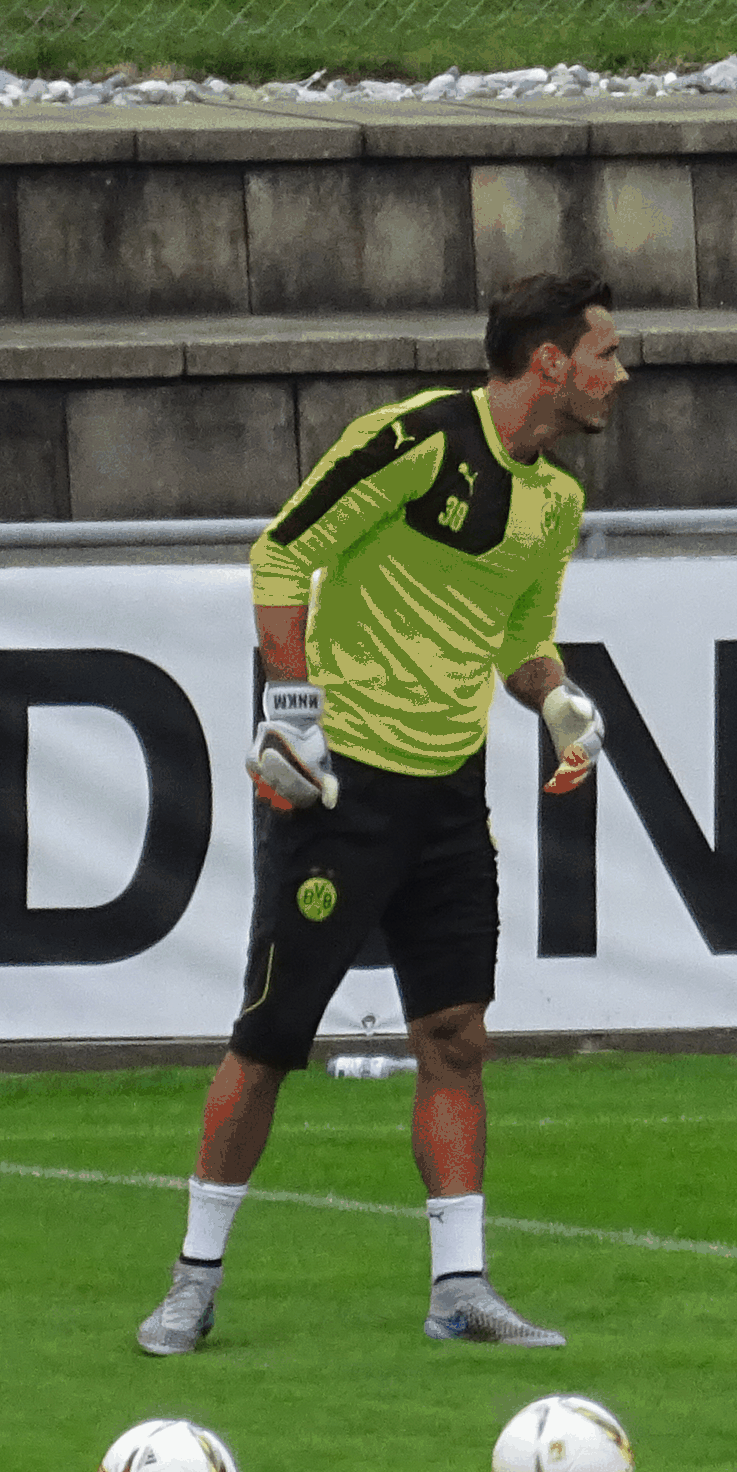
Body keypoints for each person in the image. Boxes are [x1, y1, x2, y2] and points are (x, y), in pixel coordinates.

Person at [137, 273, 625, 1357]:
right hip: (342, 788)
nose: (618, 375)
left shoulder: (558, 502)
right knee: (270, 1039)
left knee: (455, 1038)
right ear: (550, 362)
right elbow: (282, 552)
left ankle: (460, 1289)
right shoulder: (414, 440)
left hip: (449, 800)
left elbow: (520, 642)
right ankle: (192, 1281)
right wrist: (294, 715)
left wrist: (558, 702)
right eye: (605, 354)